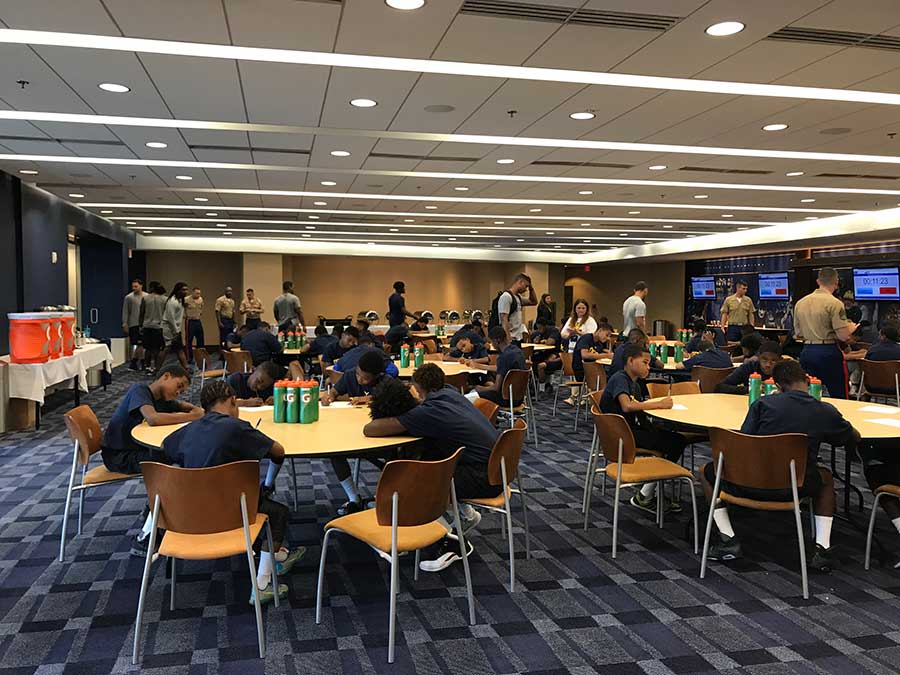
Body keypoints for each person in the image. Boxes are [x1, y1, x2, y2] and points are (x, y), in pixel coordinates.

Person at [701, 360, 853, 572]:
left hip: (747, 482)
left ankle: (728, 539)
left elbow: (746, 440)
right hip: (793, 486)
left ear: (778, 386)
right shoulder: (824, 410)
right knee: (825, 477)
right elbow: (850, 438)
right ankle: (822, 548)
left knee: (706, 470)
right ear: (807, 381)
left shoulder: (762, 405)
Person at [162, 380, 305, 604]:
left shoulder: (189, 429)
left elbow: (166, 448)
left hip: (188, 512)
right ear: (232, 401)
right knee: (277, 513)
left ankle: (277, 555)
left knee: (254, 503)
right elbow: (278, 451)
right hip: (229, 512)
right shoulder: (237, 427)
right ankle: (262, 584)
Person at [364, 364, 501, 572]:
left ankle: (453, 543)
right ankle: (466, 515)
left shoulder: (428, 412)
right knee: (430, 460)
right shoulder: (450, 393)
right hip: (498, 468)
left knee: (415, 485)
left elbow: (371, 430)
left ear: (419, 388)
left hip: (484, 478)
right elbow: (423, 406)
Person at [598, 343, 686, 513]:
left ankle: (649, 488)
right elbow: (627, 406)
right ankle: (645, 495)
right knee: (676, 442)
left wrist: (655, 427)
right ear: (631, 361)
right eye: (644, 363)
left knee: (672, 438)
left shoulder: (635, 385)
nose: (648, 367)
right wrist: (658, 404)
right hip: (620, 436)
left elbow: (640, 414)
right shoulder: (620, 379)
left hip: (628, 430)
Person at [320, 351, 394, 515]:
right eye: (358, 374)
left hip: (377, 433)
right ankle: (353, 498)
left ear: (377, 376)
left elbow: (392, 398)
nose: (360, 379)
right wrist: (329, 396)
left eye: (365, 378)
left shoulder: (386, 382)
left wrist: (369, 399)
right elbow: (335, 391)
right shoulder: (349, 375)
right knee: (335, 452)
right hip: (352, 429)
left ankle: (387, 495)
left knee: (395, 455)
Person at [100, 363, 201, 477]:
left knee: (178, 450)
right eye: (178, 386)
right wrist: (194, 416)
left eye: (181, 392)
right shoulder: (139, 390)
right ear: (166, 376)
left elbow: (182, 405)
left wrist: (196, 410)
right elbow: (153, 419)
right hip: (119, 456)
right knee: (179, 453)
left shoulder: (161, 399)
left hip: (136, 450)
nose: (178, 393)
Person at [793, 267, 858, 399]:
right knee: (838, 393)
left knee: (806, 393)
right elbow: (843, 336)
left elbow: (798, 333)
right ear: (836, 282)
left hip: (807, 351)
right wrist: (851, 328)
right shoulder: (835, 303)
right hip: (828, 352)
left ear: (818, 281)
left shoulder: (801, 303)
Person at [473, 325, 526, 405]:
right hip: (519, 397)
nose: (492, 345)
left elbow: (496, 388)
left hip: (504, 398)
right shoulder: (518, 351)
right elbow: (502, 368)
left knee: (470, 397)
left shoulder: (503, 357)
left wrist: (481, 388)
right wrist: (480, 366)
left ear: (497, 340)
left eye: (492, 342)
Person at [715, 341, 781, 395]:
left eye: (773, 361)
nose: (768, 364)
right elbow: (720, 387)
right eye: (764, 359)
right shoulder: (749, 368)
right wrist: (750, 389)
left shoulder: (784, 372)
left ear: (780, 360)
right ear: (759, 357)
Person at [494, 273, 537, 343]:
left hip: (518, 338)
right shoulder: (506, 297)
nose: (526, 289)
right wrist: (508, 338)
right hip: (510, 338)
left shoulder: (518, 298)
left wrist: (531, 288)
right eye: (526, 286)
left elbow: (534, 302)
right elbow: (504, 319)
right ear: (520, 282)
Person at [332, 334, 399, 377]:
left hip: (344, 394)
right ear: (371, 344)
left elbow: (335, 370)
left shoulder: (348, 353)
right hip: (370, 393)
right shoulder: (376, 351)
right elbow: (393, 371)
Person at [139, 281, 167, 372]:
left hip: (147, 325)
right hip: (158, 326)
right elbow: (166, 314)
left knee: (147, 348)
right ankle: (155, 367)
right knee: (156, 348)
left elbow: (141, 313)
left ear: (151, 288)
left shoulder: (145, 298)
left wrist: (140, 326)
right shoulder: (165, 299)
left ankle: (147, 367)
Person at [528, 318, 562, 389]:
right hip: (543, 353)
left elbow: (551, 342)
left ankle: (542, 387)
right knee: (532, 361)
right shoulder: (538, 333)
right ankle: (536, 384)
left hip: (555, 355)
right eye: (537, 328)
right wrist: (536, 340)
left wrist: (544, 341)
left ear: (544, 326)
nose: (539, 330)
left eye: (540, 328)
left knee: (541, 364)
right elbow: (531, 340)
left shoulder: (553, 331)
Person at [122, 278, 145, 370]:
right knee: (138, 343)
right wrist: (125, 323)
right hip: (133, 324)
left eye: (136, 286)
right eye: (133, 287)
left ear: (141, 286)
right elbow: (125, 311)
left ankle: (135, 362)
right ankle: (139, 362)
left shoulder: (146, 297)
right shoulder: (129, 297)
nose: (134, 288)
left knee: (142, 344)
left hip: (144, 324)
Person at [163, 281, 188, 348]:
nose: (186, 291)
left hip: (176, 329)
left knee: (179, 349)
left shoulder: (180, 300)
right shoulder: (172, 301)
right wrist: (176, 331)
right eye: (183, 290)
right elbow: (170, 318)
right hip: (169, 329)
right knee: (167, 348)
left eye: (186, 290)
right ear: (178, 290)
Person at [184, 286, 204, 363]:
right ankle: (189, 358)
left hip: (198, 320)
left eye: (199, 293)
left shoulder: (201, 299)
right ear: (193, 293)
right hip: (190, 321)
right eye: (197, 293)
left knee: (200, 339)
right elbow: (182, 308)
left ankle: (201, 357)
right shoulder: (186, 300)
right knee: (189, 340)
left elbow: (201, 308)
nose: (198, 295)